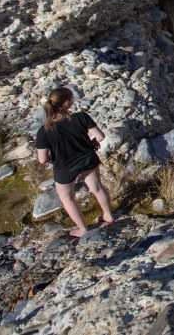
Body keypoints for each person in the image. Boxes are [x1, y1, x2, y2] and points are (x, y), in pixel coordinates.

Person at [34, 87, 114, 238]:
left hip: (64, 167)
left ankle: (83, 229)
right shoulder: (81, 117)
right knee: (97, 188)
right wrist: (92, 143)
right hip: (87, 159)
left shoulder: (44, 131)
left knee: (68, 198)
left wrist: (54, 157)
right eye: (71, 99)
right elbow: (100, 136)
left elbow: (42, 159)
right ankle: (108, 215)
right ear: (66, 103)